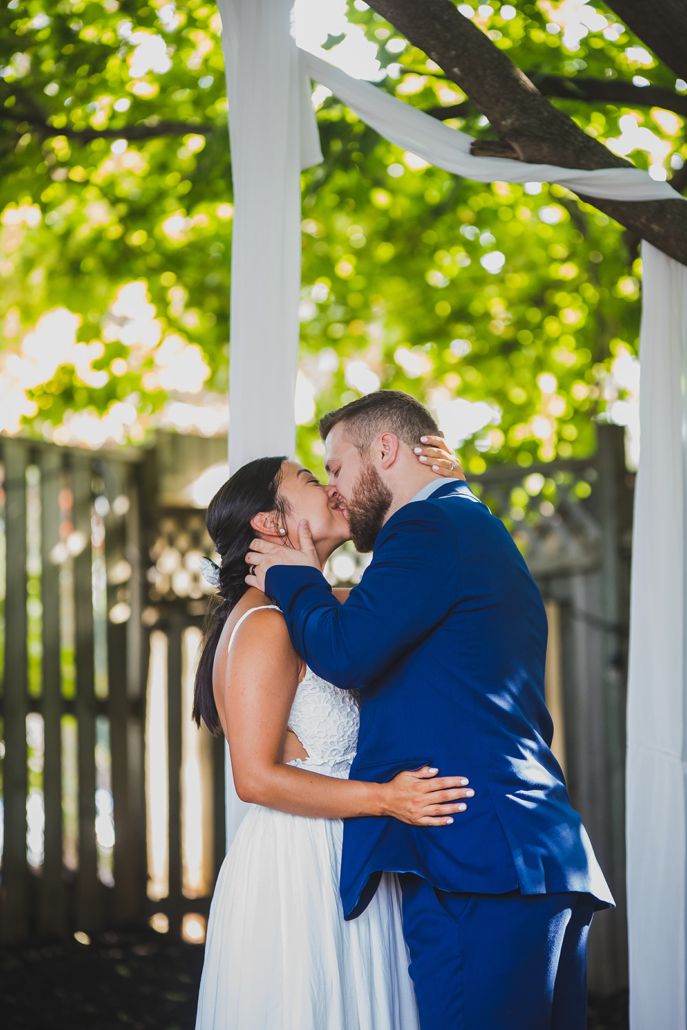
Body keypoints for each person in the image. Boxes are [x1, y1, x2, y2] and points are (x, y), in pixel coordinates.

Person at [246, 389, 615, 1030]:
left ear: (385, 450)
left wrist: (290, 573)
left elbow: (345, 648)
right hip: (518, 858)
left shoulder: (428, 526)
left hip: (480, 864)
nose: (333, 490)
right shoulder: (459, 521)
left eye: (335, 468)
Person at [193, 443, 470, 1030]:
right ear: (269, 523)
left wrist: (438, 490)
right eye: (310, 479)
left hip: (346, 848)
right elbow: (254, 778)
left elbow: (404, 598)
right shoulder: (265, 625)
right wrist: (387, 798)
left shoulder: (311, 611)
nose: (330, 488)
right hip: (302, 865)